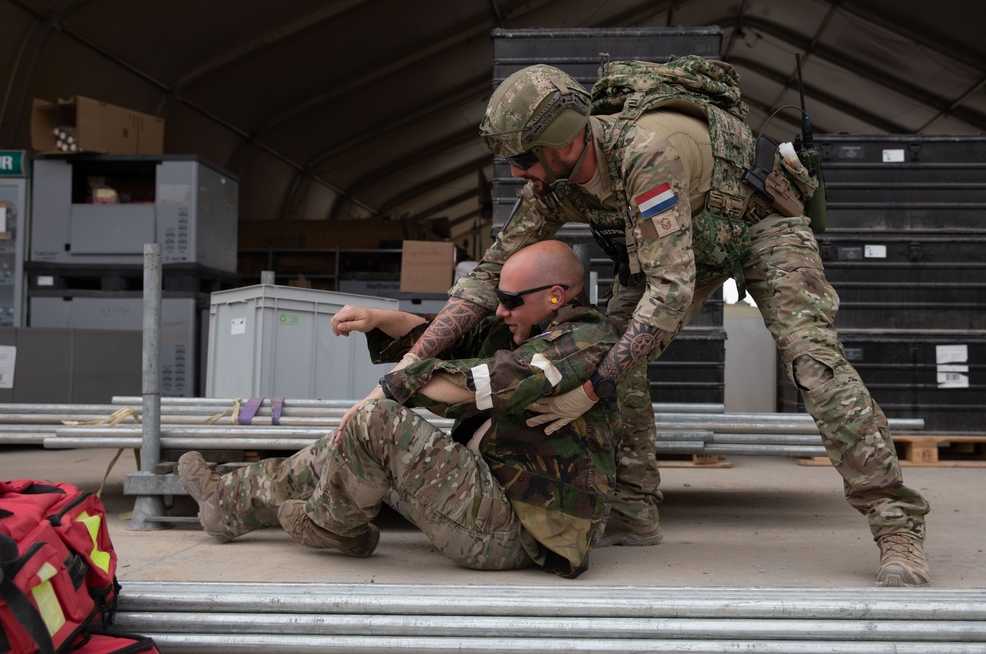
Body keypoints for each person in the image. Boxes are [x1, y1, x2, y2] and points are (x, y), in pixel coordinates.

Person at [368, 63, 929, 587]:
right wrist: (416, 358)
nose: (520, 174)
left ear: (566, 142)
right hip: (670, 248)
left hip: (755, 225)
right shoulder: (551, 181)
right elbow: (489, 274)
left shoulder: (646, 156)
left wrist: (588, 390)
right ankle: (634, 506)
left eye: (526, 160)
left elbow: (670, 290)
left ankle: (895, 521)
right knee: (610, 349)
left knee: (814, 364)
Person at [179, 241, 621, 578]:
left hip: (520, 532)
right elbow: (451, 342)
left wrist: (389, 389)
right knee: (348, 441)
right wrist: (378, 318)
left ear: (557, 296)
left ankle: (335, 525)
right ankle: (227, 501)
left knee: (375, 421)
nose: (501, 309)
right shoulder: (522, 326)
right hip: (487, 497)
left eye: (510, 300)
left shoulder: (585, 339)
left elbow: (492, 379)